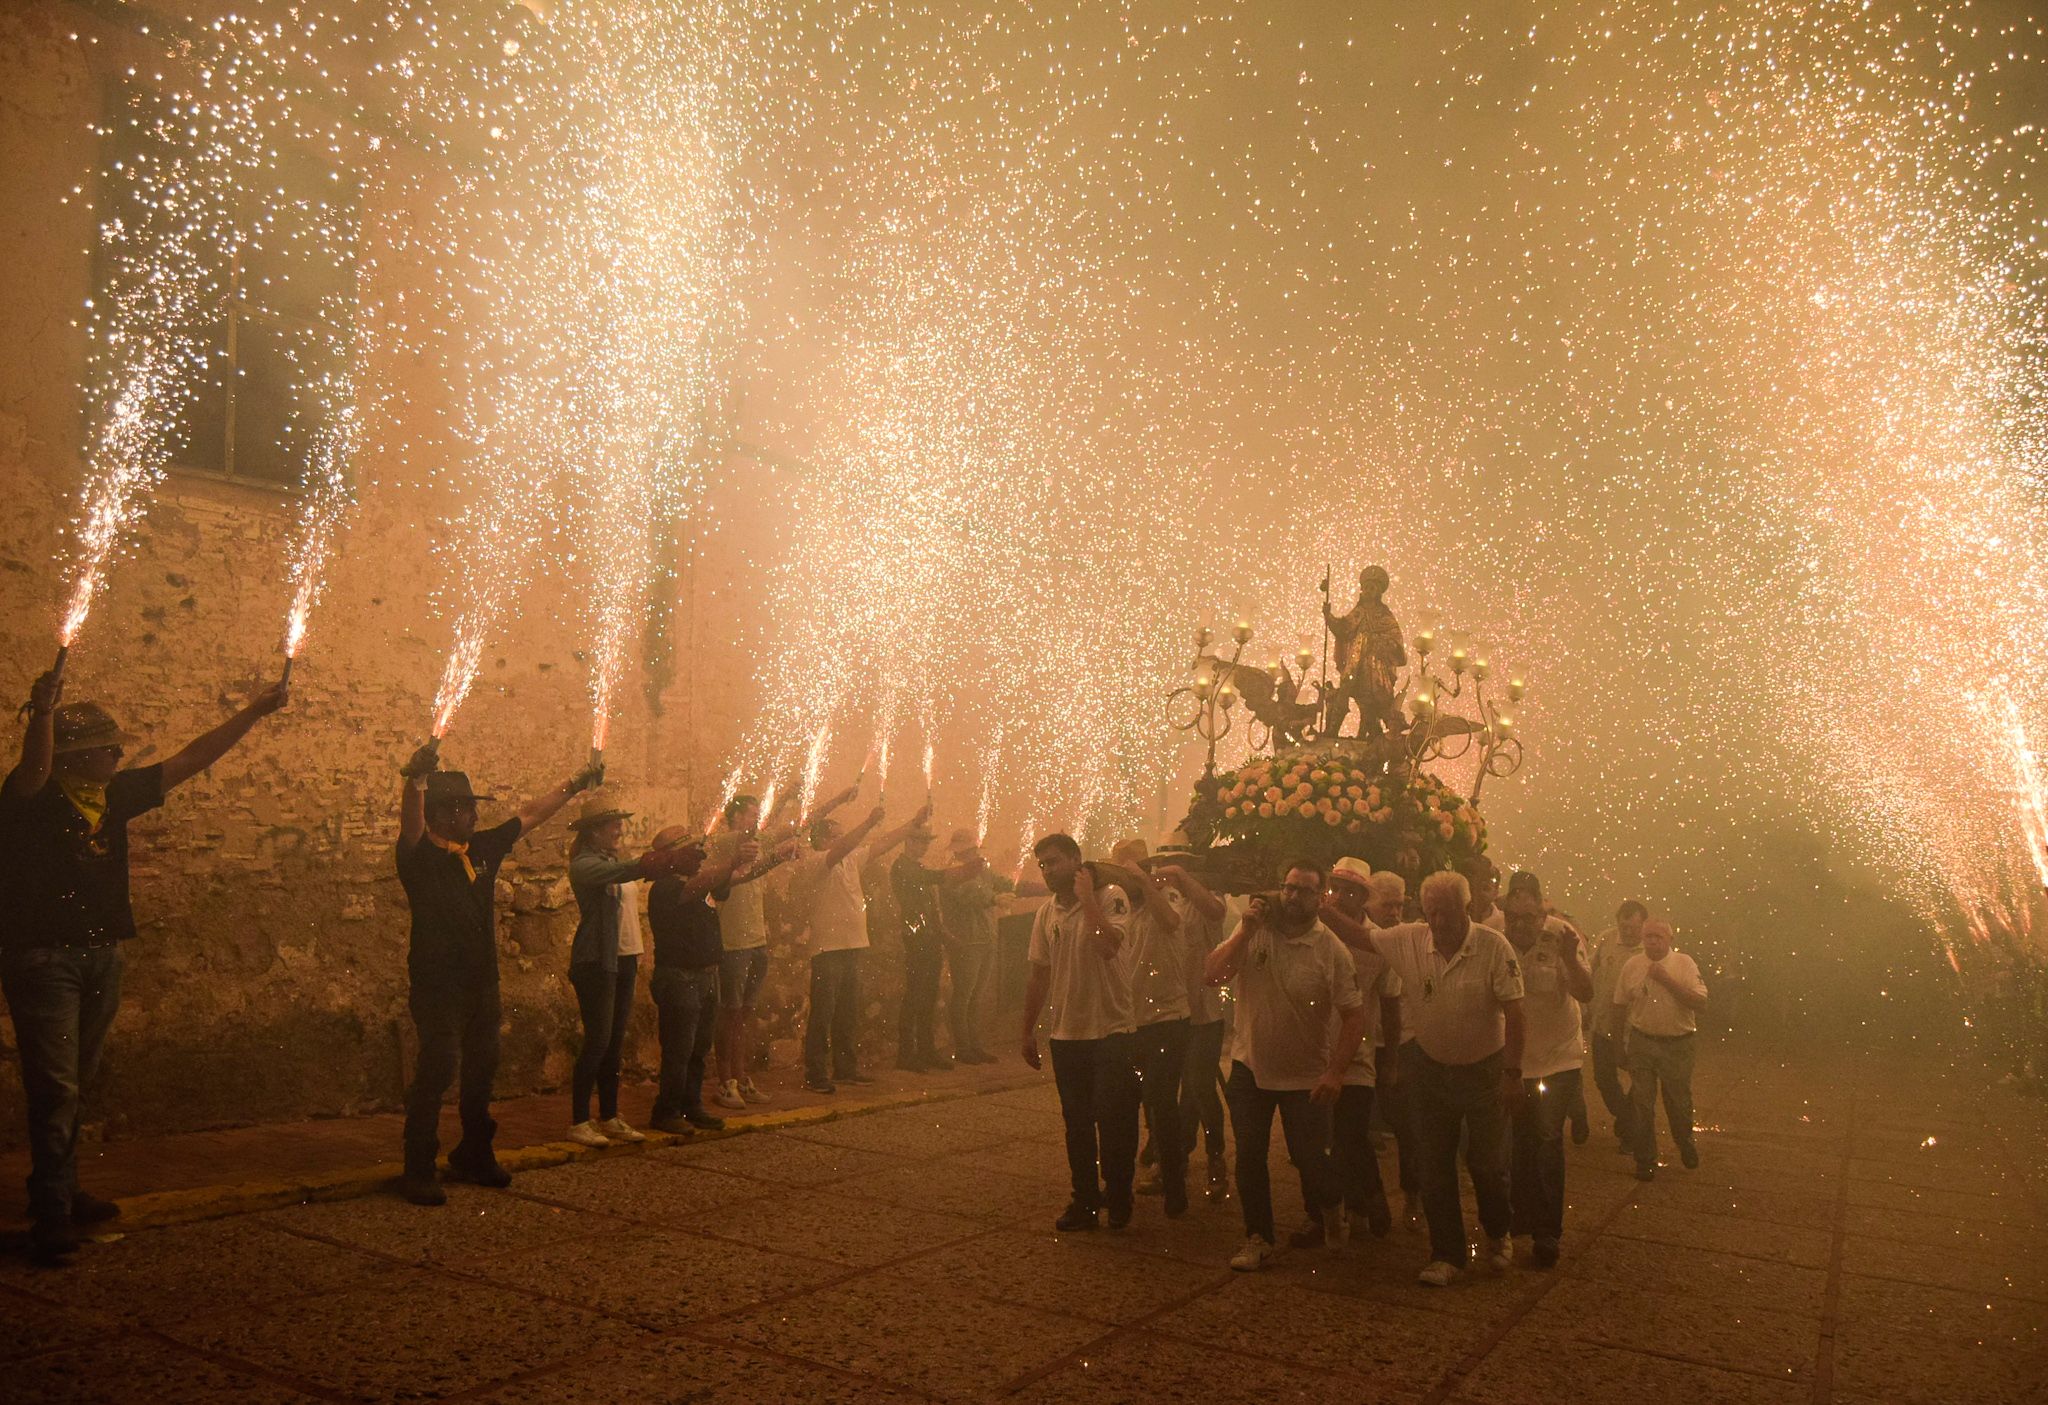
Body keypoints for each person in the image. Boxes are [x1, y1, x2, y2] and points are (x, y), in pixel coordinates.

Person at [0, 671, 287, 1264]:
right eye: (108, 748)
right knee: (57, 1087)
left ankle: (61, 1188)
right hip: (43, 956)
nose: (119, 754)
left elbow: (194, 756)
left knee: (76, 1079)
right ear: (78, 756)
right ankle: (51, 1213)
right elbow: (33, 769)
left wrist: (253, 713)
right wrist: (43, 715)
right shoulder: (34, 798)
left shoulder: (115, 796)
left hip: (102, 952)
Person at [394, 741, 599, 1207]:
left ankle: (474, 1151)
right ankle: (418, 1166)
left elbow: (530, 816)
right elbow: (411, 824)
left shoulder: (481, 847)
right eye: (465, 808)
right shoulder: (420, 857)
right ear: (443, 814)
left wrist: (575, 783)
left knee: (482, 1069)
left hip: (482, 983)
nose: (473, 815)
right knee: (438, 1067)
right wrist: (416, 782)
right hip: (438, 985)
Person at [1205, 860, 1366, 1271]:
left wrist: (1335, 1072)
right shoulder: (1255, 934)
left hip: (1305, 1074)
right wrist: (1244, 930)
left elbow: (1354, 1017)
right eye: (1289, 888)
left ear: (1320, 897)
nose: (1294, 897)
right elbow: (1213, 974)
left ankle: (1331, 1207)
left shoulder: (1330, 949)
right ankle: (1258, 1236)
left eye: (1305, 890)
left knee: (1310, 1159)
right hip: (1250, 1066)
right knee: (1250, 1155)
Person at [1368, 869, 1525, 1286]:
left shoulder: (1494, 947)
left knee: (1487, 1163)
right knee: (1434, 1164)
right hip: (1431, 1069)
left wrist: (1513, 1073)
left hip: (1486, 1071)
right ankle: (1447, 1253)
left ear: (1468, 908)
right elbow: (1360, 934)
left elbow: (1515, 1013)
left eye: (1449, 913)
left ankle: (1497, 1229)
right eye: (1432, 913)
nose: (1440, 923)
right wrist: (1323, 907)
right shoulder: (1410, 939)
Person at [1020, 833, 1139, 1232]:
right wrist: (1027, 1031)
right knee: (1078, 1125)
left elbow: (1107, 946)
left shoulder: (1111, 897)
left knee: (1115, 1120)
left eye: (1054, 861)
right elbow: (1038, 974)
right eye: (1042, 865)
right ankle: (1085, 1200)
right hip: (1067, 1033)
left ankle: (1119, 1195)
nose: (1048, 870)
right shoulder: (1045, 913)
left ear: (1076, 860)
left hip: (1112, 1029)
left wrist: (1088, 897)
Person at [564, 794, 695, 1147]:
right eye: (613, 823)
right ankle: (579, 1120)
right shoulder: (585, 864)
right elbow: (621, 872)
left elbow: (625, 870)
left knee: (614, 1042)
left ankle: (609, 1117)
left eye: (620, 822)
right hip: (596, 960)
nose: (620, 828)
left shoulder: (613, 859)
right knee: (597, 1041)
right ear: (593, 832)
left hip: (624, 958)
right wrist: (660, 862)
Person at [797, 801, 930, 1093]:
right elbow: (846, 845)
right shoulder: (817, 860)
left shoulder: (851, 860)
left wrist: (913, 822)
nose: (842, 839)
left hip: (851, 944)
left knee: (847, 1010)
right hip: (827, 948)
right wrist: (868, 823)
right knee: (824, 1012)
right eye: (835, 835)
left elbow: (882, 844)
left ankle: (845, 1068)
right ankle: (815, 1072)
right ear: (821, 839)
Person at [710, 789, 823, 1110]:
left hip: (756, 942)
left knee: (743, 1016)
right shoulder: (724, 843)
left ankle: (741, 1077)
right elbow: (774, 840)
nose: (754, 820)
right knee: (729, 1014)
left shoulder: (755, 843)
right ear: (732, 817)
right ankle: (725, 1082)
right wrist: (780, 848)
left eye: (757, 814)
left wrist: (800, 798)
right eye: (748, 813)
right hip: (732, 944)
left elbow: (791, 828)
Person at [1501, 879, 1591, 1268]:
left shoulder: (1562, 938)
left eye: (1529, 916)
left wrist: (1570, 958)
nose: (1521, 925)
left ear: (1543, 910)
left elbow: (1586, 992)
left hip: (1559, 1058)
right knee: (1520, 1141)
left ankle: (1548, 1232)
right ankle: (1524, 1216)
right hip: (1516, 1060)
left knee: (1547, 1137)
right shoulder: (1493, 936)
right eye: (1514, 916)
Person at [646, 825, 759, 1135]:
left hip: (706, 976)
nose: (700, 854)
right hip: (680, 978)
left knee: (698, 1049)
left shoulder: (698, 882)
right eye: (691, 850)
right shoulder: (666, 887)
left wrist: (775, 857)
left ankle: (691, 1105)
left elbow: (736, 877)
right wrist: (734, 858)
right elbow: (705, 882)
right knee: (679, 1050)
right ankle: (666, 1110)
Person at [1314, 859, 1405, 1242]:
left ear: (1365, 898)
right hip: (1314, 1048)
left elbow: (1391, 1005)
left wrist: (1392, 1060)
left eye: (1353, 891)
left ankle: (1371, 1200)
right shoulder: (1313, 930)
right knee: (1322, 1141)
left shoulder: (1379, 941)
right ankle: (1343, 1211)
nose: (1343, 896)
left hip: (1359, 1052)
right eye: (1337, 888)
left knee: (1352, 1135)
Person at [1110, 839, 1191, 1218]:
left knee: (1162, 1102)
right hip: (1131, 1021)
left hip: (1167, 1020)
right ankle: (1122, 1190)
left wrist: (1144, 881)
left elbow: (1172, 922)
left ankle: (1175, 1187)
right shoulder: (1122, 908)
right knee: (1133, 1103)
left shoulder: (1168, 896)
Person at [1153, 860, 1232, 1202]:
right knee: (1167, 1091)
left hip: (1205, 1012)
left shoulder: (1207, 896)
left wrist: (1185, 880)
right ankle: (1173, 1159)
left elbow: (1215, 912)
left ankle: (1216, 1155)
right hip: (1169, 1011)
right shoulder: (1163, 899)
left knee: (1199, 1086)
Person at [1616, 917, 1709, 1181]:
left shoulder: (1684, 963)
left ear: (1670, 940)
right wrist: (1617, 1045)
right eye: (1648, 937)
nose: (1653, 942)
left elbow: (1700, 1003)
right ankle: (1644, 1159)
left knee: (1677, 1102)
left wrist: (1666, 980)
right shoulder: (1632, 965)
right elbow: (1619, 1004)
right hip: (1642, 1041)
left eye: (1658, 937)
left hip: (1677, 1044)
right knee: (1642, 1104)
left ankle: (1684, 1139)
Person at [934, 828, 1013, 1064]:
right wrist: (995, 898)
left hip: (986, 939)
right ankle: (964, 1047)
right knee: (964, 996)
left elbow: (1002, 883)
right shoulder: (952, 875)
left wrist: (1012, 886)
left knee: (975, 997)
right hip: (966, 942)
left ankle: (974, 1045)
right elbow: (971, 895)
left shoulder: (983, 871)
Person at [1587, 899, 1647, 1148]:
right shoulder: (1606, 940)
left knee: (1640, 1080)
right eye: (1623, 927)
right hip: (1603, 1022)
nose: (1628, 932)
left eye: (1633, 928)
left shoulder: (1650, 948)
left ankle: (1630, 1130)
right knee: (1603, 1078)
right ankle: (1627, 1120)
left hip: (1636, 1027)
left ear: (1643, 925)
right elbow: (1589, 970)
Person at [892, 825, 949, 1072]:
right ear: (908, 842)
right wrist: (955, 874)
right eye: (920, 841)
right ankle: (907, 1055)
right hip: (916, 938)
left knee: (928, 996)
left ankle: (925, 1050)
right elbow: (927, 881)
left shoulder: (916, 867)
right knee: (915, 996)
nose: (924, 846)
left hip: (928, 937)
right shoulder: (902, 867)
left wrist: (940, 932)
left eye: (926, 842)